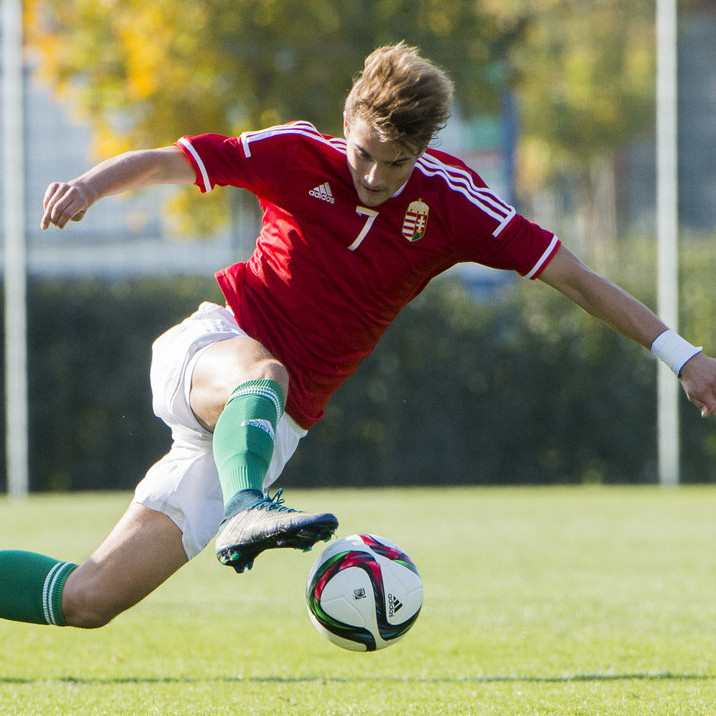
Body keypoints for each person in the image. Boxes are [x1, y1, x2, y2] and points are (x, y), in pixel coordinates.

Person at [2, 42, 715, 630]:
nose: (374, 177)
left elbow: (579, 278)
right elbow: (172, 159)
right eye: (364, 153)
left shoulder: (455, 204)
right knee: (265, 376)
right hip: (211, 350)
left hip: (265, 431)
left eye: (395, 163)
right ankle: (249, 509)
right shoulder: (296, 154)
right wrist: (90, 187)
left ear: (425, 148)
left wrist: (683, 358)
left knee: (89, 600)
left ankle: (245, 500)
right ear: (348, 121)